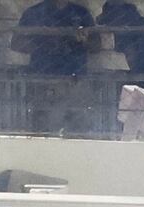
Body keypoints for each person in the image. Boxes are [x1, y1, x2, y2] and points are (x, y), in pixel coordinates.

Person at [13, 0, 94, 134]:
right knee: (42, 126)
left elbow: (96, 45)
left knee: (77, 127)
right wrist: (43, 44)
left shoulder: (81, 13)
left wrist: (83, 38)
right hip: (43, 78)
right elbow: (16, 43)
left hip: (74, 78)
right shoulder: (35, 12)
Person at [97, 0, 144, 84]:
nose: (108, 25)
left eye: (109, 21)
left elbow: (132, 54)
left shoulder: (128, 29)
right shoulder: (142, 23)